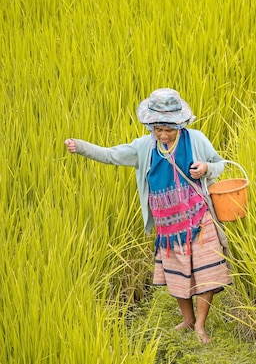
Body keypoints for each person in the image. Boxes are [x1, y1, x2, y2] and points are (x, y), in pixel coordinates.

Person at [65, 88, 232, 344]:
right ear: (150, 125)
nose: (164, 134)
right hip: (168, 227)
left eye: (169, 129)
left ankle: (200, 324)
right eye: (158, 129)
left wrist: (207, 168)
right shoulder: (144, 147)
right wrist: (82, 147)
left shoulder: (196, 139)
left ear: (180, 124)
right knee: (178, 275)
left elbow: (221, 164)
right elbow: (111, 155)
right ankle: (187, 319)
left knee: (206, 272)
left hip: (199, 218)